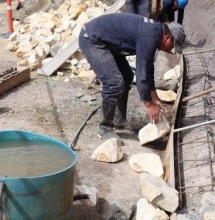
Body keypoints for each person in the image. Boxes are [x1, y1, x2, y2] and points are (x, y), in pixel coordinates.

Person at [78, 12, 186, 142]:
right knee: (114, 83)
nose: (171, 50)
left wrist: (153, 95)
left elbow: (148, 67)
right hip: (92, 39)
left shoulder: (154, 33)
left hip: (108, 42)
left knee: (127, 76)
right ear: (167, 38)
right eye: (173, 46)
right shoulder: (149, 36)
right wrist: (149, 105)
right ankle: (104, 127)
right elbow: (141, 73)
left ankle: (119, 119)